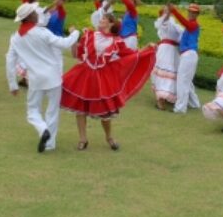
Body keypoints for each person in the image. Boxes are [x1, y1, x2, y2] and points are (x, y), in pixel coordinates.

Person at [60, 13, 156, 151]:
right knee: (80, 108)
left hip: (102, 78)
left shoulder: (117, 41)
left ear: (111, 24)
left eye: (104, 19)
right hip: (84, 74)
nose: (101, 20)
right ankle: (83, 139)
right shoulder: (89, 35)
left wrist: (147, 48)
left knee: (105, 112)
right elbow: (77, 55)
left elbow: (132, 55)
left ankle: (109, 137)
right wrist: (73, 40)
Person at [6, 3, 80, 153]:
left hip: (35, 79)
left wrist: (13, 84)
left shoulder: (15, 38)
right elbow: (64, 43)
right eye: (34, 12)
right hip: (53, 77)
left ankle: (43, 129)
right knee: (52, 111)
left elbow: (10, 61)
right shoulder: (41, 32)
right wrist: (75, 33)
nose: (37, 13)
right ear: (31, 16)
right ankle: (49, 143)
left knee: (32, 111)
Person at [167, 3, 201, 114]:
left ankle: (180, 108)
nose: (191, 13)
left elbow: (185, 23)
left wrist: (175, 11)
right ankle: (195, 104)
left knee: (182, 81)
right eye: (190, 11)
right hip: (188, 55)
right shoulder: (191, 25)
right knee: (187, 81)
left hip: (189, 55)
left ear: (197, 14)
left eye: (194, 12)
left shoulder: (193, 25)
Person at [152, 7, 183, 111]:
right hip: (165, 50)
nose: (167, 12)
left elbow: (182, 35)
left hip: (174, 50)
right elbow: (164, 21)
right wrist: (168, 13)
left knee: (172, 73)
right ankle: (160, 99)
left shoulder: (175, 24)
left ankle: (165, 97)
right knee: (164, 71)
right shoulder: (163, 22)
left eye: (168, 11)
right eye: (164, 11)